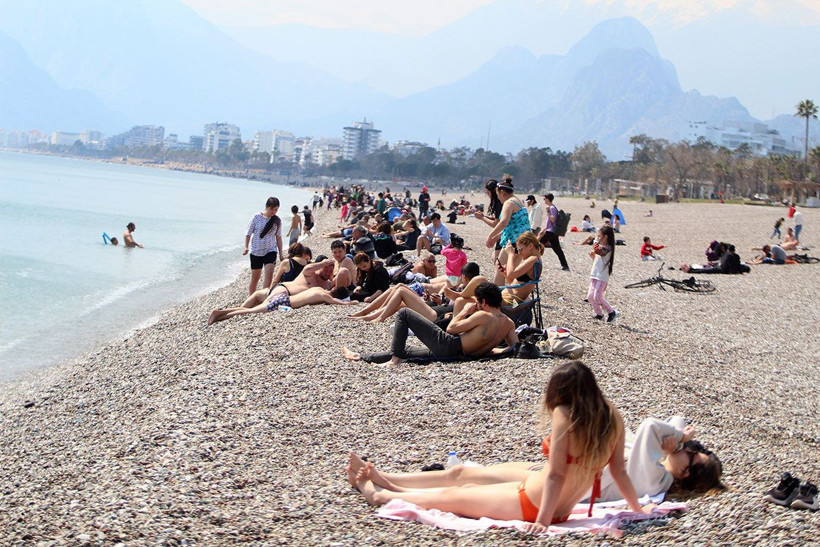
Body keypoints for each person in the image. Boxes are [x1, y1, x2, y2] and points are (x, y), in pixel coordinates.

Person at [346, 361, 654, 531]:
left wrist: (542, 521)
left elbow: (557, 474)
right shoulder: (612, 416)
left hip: (533, 503)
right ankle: (390, 480)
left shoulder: (565, 413)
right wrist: (637, 509)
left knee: (452, 497)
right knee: (461, 478)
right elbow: (619, 471)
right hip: (550, 500)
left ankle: (379, 494)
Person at [354, 415, 723, 506]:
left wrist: (680, 437)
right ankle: (391, 478)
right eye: (693, 448)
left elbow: (650, 427)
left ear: (686, 473)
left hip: (563, 486)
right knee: (462, 472)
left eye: (692, 455)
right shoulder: (658, 464)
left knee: (463, 486)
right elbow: (671, 421)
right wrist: (678, 437)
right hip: (559, 472)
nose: (688, 449)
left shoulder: (656, 479)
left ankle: (390, 493)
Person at [342, 282, 519, 365]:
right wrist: (491, 349)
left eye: (478, 302)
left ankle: (394, 361)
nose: (477, 305)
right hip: (459, 355)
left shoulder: (484, 316)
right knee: (405, 350)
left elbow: (451, 329)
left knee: (404, 313)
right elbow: (514, 348)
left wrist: (464, 312)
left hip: (450, 346)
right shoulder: (508, 323)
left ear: (484, 301)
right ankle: (361, 357)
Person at [207, 259, 349, 324]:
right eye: (325, 270)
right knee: (254, 310)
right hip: (284, 290)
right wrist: (322, 263)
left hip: (286, 299)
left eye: (330, 272)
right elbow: (309, 268)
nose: (327, 273)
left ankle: (221, 313)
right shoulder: (310, 272)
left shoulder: (327, 285)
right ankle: (220, 314)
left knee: (255, 308)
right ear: (320, 267)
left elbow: (339, 286)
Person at [485, 176, 531, 284]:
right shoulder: (518, 201)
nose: (498, 198)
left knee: (500, 270)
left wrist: (490, 236)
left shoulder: (508, 203)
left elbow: (503, 222)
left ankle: (497, 293)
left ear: (502, 192)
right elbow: (513, 226)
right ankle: (515, 293)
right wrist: (496, 237)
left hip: (514, 243)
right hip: (525, 241)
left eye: (498, 194)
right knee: (510, 272)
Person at [244, 198, 283, 294]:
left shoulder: (277, 221)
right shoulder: (256, 217)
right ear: (266, 207)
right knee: (255, 278)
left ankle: (263, 298)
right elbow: (248, 233)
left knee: (269, 277)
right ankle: (252, 298)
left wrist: (281, 254)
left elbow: (278, 237)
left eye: (276, 209)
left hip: (271, 250)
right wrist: (246, 247)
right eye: (272, 209)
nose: (274, 212)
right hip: (256, 251)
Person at [587, 225, 617, 322]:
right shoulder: (601, 248)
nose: (598, 238)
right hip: (595, 274)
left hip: (602, 276)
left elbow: (599, 251)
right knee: (590, 296)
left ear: (605, 237)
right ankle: (599, 314)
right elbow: (598, 259)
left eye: (599, 236)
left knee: (597, 296)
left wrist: (595, 241)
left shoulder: (608, 248)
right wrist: (593, 257)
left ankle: (611, 312)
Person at [473, 179, 504, 263]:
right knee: (497, 260)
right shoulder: (500, 202)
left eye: (488, 193)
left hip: (507, 234)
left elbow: (496, 224)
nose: (488, 196)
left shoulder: (499, 203)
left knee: (497, 260)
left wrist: (482, 218)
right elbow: (498, 219)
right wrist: (484, 216)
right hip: (504, 233)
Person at [539, 194, 570, 271]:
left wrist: (548, 211)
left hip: (551, 232)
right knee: (557, 249)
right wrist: (544, 229)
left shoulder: (552, 208)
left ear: (547, 199)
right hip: (552, 231)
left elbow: (553, 219)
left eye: (544, 199)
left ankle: (533, 261)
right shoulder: (552, 207)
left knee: (538, 245)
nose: (544, 200)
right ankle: (565, 265)